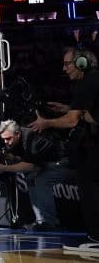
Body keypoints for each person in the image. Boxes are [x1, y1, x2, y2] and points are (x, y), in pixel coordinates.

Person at [29, 48, 99, 252]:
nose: (64, 68)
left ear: (82, 63)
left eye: (67, 64)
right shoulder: (94, 80)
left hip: (95, 149)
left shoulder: (87, 83)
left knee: (91, 190)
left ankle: (96, 238)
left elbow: (72, 121)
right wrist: (69, 109)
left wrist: (46, 123)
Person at [0, 120, 71, 231]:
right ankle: (40, 221)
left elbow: (30, 166)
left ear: (18, 133)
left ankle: (51, 222)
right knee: (30, 178)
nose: (6, 142)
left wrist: (4, 168)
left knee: (42, 180)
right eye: (3, 139)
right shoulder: (16, 140)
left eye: (8, 138)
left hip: (64, 162)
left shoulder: (30, 137)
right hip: (45, 163)